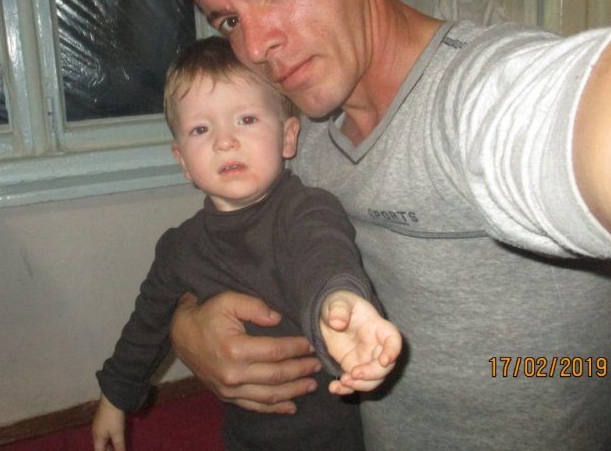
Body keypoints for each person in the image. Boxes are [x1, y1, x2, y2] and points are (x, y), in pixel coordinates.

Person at [168, 0, 611, 450]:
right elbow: (231, 237)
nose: (255, 46)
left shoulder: (472, 95)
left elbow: (587, 119)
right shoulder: (300, 137)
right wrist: (187, 324)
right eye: (227, 21)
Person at [92, 36, 401, 451]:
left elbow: (324, 257)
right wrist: (114, 399)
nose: (224, 141)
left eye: (247, 119)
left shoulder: (307, 210)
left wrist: (340, 302)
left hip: (333, 438)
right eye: (201, 129)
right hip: (244, 437)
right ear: (183, 161)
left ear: (288, 138)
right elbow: (145, 327)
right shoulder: (179, 248)